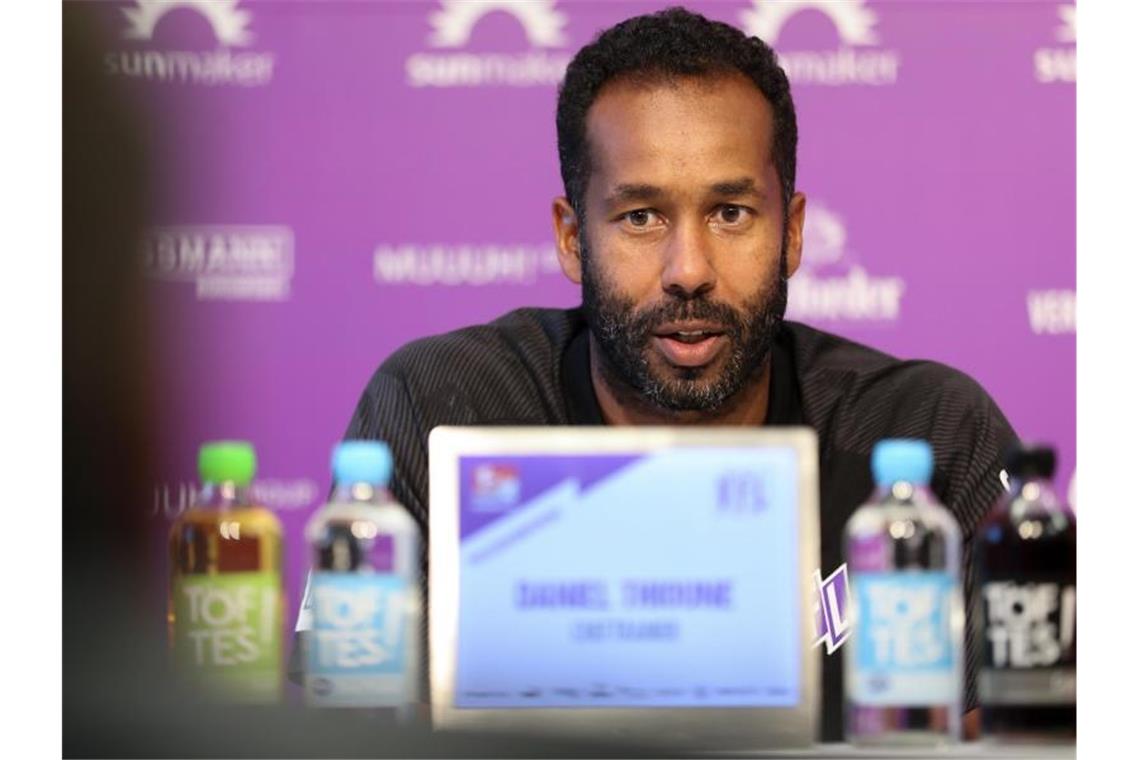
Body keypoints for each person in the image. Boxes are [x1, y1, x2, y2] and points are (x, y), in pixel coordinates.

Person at [342, 7, 1015, 742]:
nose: (688, 271)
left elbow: (1041, 726)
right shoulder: (445, 406)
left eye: (730, 213)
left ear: (791, 232)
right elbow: (345, 720)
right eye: (640, 218)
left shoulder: (929, 429)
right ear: (573, 239)